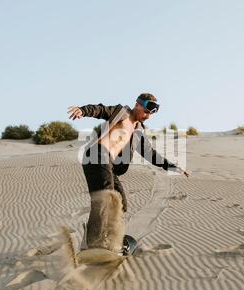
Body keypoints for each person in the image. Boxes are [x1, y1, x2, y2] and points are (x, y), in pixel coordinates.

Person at [68, 93, 189, 255]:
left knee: (121, 203)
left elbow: (150, 153)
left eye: (150, 114)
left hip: (108, 165)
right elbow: (100, 110)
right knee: (107, 197)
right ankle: (93, 242)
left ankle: (109, 239)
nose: (147, 116)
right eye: (146, 112)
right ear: (137, 105)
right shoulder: (120, 113)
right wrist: (83, 111)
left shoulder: (138, 131)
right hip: (97, 155)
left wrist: (172, 166)